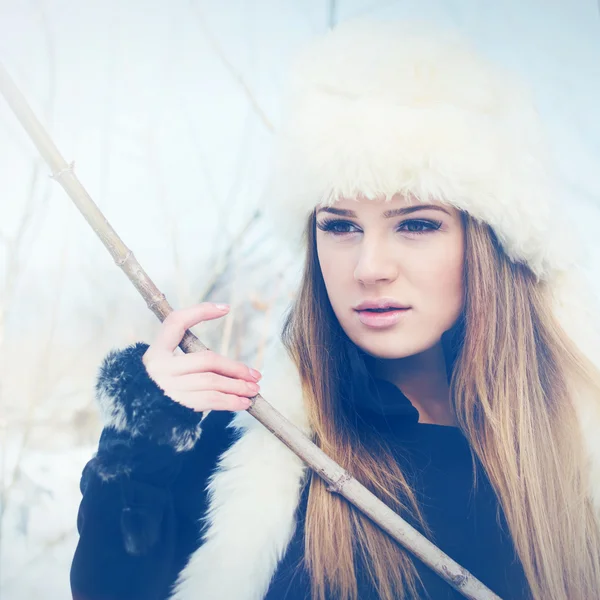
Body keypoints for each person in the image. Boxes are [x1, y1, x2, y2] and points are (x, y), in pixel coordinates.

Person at [70, 19, 600, 600]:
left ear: (494, 245)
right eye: (340, 225)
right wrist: (142, 441)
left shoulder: (575, 452)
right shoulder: (247, 458)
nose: (369, 266)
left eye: (417, 224)